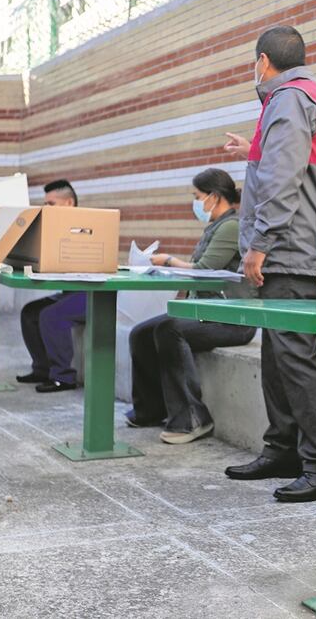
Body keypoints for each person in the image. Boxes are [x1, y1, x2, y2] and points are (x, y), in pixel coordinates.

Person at [220, 25, 316, 503]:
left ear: (262, 61)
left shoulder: (289, 100)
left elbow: (281, 180)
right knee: (278, 355)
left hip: (291, 251)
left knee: (294, 357)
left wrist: (257, 244)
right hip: (294, 248)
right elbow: (282, 163)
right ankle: (283, 449)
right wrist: (246, 151)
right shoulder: (305, 97)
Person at [124, 168, 257, 443]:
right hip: (206, 312)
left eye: (197, 196)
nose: (195, 203)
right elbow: (195, 274)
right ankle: (151, 409)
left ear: (214, 196)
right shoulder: (215, 226)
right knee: (141, 333)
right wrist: (179, 300)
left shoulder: (232, 226)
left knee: (168, 331)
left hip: (233, 320)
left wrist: (169, 261)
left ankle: (193, 418)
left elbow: (204, 269)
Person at [16, 179, 87, 393]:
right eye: (45, 204)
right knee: (30, 313)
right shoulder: (53, 229)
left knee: (51, 315)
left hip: (92, 294)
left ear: (68, 203)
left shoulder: (86, 228)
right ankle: (42, 369)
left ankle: (63, 377)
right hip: (70, 292)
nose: (46, 209)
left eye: (51, 204)